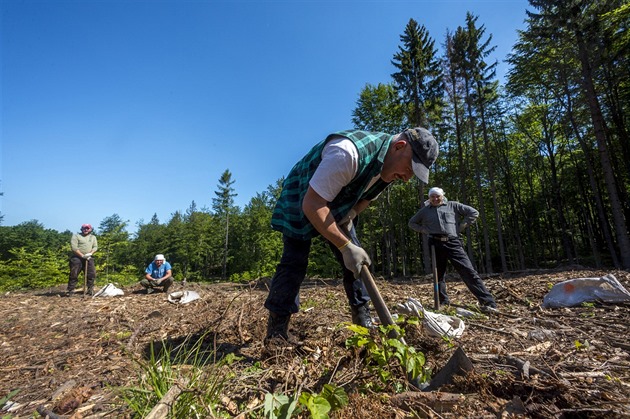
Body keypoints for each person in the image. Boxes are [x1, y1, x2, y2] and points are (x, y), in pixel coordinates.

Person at [264, 127, 439, 345]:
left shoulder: (389, 168)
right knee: (294, 261)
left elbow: (367, 196)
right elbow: (312, 204)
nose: (406, 178)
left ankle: (363, 322)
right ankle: (277, 332)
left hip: (339, 200)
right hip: (304, 195)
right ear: (399, 147)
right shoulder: (347, 153)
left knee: (356, 264)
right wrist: (345, 246)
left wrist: (352, 213)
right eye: (410, 168)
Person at [408, 187, 497, 311]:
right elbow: (412, 223)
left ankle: (488, 302)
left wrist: (462, 225)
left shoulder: (453, 206)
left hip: (453, 242)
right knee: (438, 275)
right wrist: (424, 230)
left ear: (442, 196)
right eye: (432, 196)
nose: (435, 198)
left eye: (437, 196)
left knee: (468, 271)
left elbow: (473, 212)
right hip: (435, 244)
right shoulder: (425, 211)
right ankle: (443, 302)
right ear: (429, 198)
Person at [67, 223, 98, 296]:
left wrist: (90, 253)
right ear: (81, 229)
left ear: (90, 229)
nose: (86, 229)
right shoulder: (76, 236)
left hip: (88, 257)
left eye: (88, 228)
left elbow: (95, 247)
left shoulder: (93, 237)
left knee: (91, 274)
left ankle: (90, 290)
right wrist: (82, 255)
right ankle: (71, 290)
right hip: (77, 257)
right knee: (74, 274)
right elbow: (74, 248)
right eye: (84, 228)